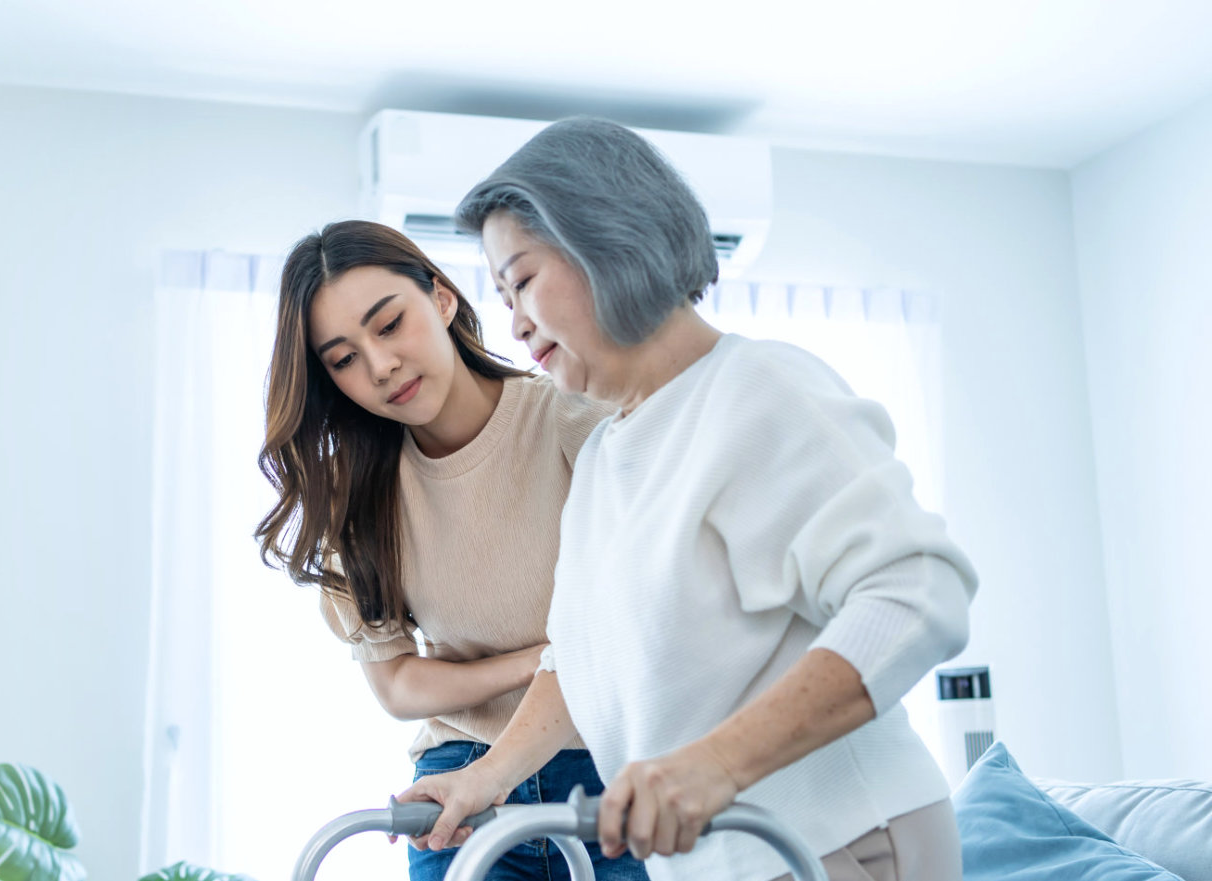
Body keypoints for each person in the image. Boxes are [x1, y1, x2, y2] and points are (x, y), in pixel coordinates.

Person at [398, 118, 978, 881]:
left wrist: (715, 765)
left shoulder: (756, 390)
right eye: (503, 294)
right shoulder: (606, 454)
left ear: (605, 239)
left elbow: (917, 592)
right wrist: (486, 778)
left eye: (525, 279)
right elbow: (581, 664)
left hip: (836, 838)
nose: (515, 320)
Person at [256, 220, 647, 881]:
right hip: (459, 777)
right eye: (344, 359)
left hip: (607, 764)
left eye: (389, 324)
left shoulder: (569, 419)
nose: (381, 366)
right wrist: (540, 660)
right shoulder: (354, 496)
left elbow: (635, 624)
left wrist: (558, 663)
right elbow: (400, 683)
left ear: (440, 298)